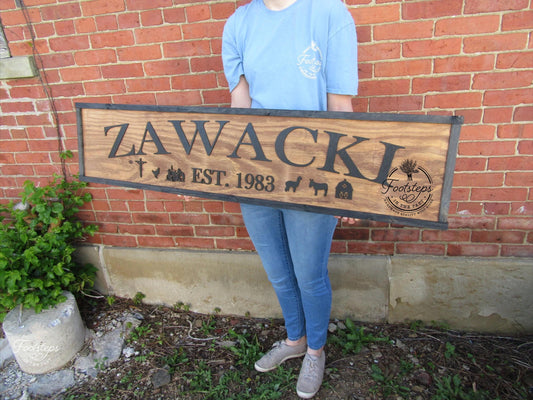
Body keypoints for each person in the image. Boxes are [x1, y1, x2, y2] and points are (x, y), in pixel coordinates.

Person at [222, 0, 358, 398]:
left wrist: (347, 186)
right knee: (278, 270)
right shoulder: (238, 23)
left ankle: (315, 350)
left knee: (309, 274)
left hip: (313, 175)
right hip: (257, 173)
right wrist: (227, 170)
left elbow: (340, 107)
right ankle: (295, 340)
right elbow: (241, 106)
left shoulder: (330, 13)